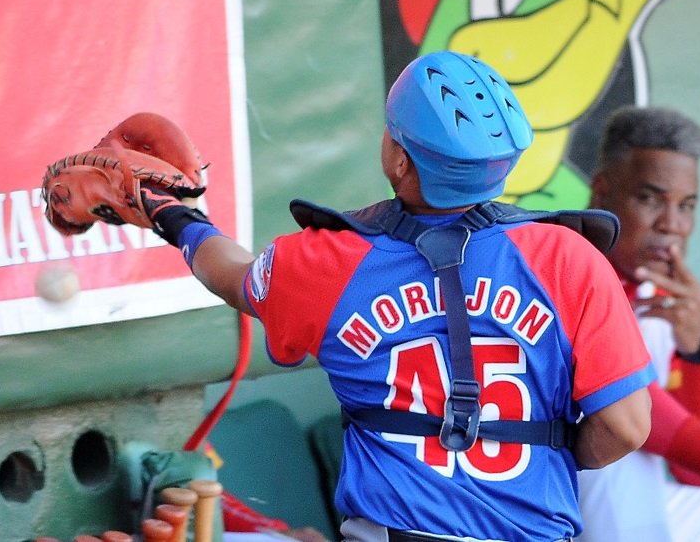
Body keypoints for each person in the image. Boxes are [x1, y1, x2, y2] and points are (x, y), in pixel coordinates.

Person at [140, 51, 654, 542]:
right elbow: (627, 427)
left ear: (401, 161)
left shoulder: (326, 260)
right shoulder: (571, 258)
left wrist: (173, 214)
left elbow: (228, 275)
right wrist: (548, 447)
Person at [577, 106, 700, 542]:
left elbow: (696, 472)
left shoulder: (655, 292)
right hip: (541, 493)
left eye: (687, 206)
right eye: (650, 199)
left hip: (630, 506)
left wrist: (699, 349)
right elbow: (628, 400)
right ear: (602, 192)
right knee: (623, 455)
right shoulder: (570, 268)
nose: (673, 225)